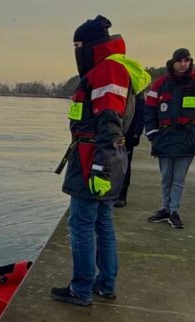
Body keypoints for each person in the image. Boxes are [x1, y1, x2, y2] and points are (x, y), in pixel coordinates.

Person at [52, 15, 150, 306]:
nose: (76, 51)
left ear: (92, 45)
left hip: (92, 160)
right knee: (103, 223)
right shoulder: (112, 69)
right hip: (106, 158)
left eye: (78, 45)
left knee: (81, 226)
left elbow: (109, 123)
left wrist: (99, 169)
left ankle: (81, 289)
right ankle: (105, 284)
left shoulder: (106, 71)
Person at [144, 48, 195, 229]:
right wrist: (152, 133)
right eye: (180, 61)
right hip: (165, 137)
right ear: (173, 63)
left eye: (186, 61)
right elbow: (149, 110)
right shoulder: (160, 84)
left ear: (190, 63)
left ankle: (174, 211)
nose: (183, 64)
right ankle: (165, 209)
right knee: (166, 177)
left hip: (187, 137)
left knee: (178, 178)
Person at [115, 93, 146, 208]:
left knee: (125, 165)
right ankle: (112, 192)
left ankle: (122, 195)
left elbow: (140, 114)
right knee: (112, 163)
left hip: (127, 135)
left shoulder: (137, 93)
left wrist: (137, 133)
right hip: (114, 133)